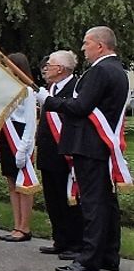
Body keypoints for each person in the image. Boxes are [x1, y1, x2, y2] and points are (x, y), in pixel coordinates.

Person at [39, 26, 127, 271]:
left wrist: (48, 101)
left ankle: (88, 260)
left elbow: (80, 107)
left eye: (87, 43)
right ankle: (109, 254)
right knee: (106, 203)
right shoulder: (116, 70)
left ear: (100, 45)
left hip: (89, 145)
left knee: (93, 204)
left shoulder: (100, 71)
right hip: (100, 145)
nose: (83, 49)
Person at [36, 50, 84, 257]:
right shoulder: (51, 88)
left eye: (50, 64)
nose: (46, 68)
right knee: (52, 199)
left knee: (69, 200)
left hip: (66, 154)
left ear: (61, 69)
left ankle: (75, 243)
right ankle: (60, 239)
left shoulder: (76, 88)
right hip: (48, 152)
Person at [0, 53, 39, 243]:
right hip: (7, 135)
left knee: (24, 185)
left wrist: (24, 148)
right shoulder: (5, 89)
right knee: (12, 183)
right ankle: (16, 224)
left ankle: (25, 226)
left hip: (21, 136)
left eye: (9, 66)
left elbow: (31, 121)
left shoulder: (27, 90)